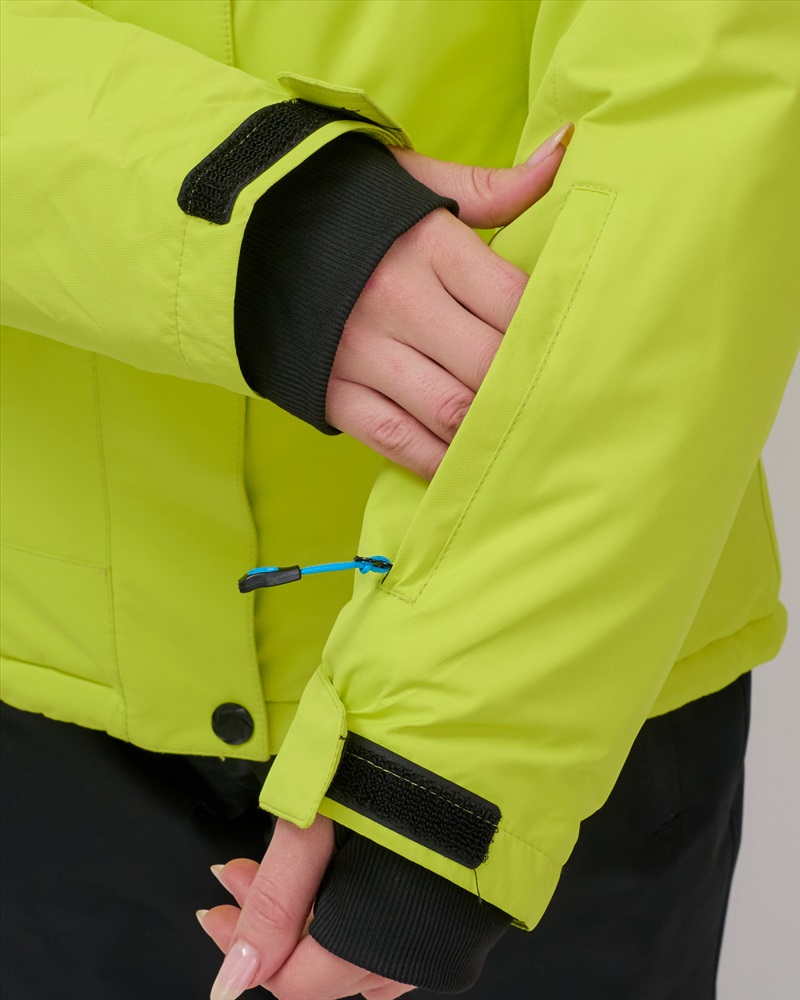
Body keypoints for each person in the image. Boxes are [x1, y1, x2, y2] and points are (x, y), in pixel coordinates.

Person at [0, 2, 797, 998]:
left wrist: (444, 771)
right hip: (43, 690)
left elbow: (707, 109)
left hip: (566, 693)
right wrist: (251, 217)